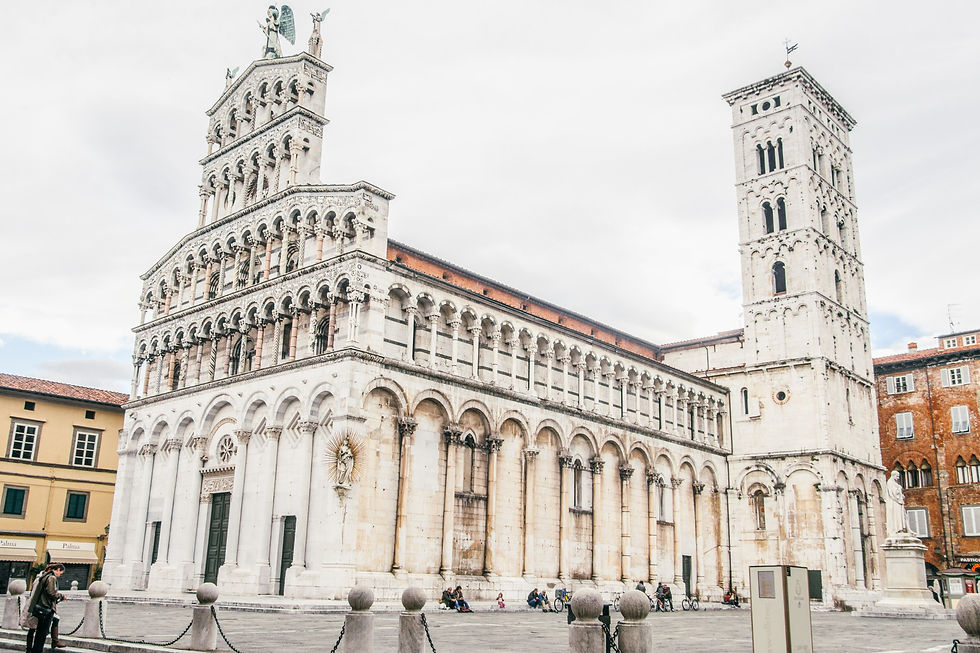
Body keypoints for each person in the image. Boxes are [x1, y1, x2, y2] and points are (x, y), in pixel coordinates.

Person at [27, 563, 66, 653]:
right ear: (58, 569)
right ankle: (38, 651)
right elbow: (51, 592)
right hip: (46, 608)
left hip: (40, 607)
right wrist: (61, 595)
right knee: (42, 633)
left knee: (39, 633)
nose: (60, 575)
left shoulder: (45, 576)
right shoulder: (51, 578)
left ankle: (35, 650)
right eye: (61, 573)